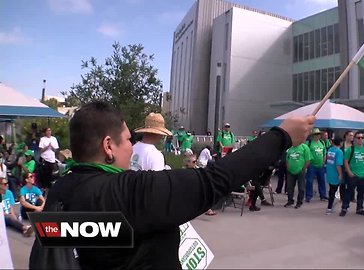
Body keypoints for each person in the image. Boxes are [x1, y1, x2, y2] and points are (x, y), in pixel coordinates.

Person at [29, 101, 314, 269]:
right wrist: (281, 137)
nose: (132, 147)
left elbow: (103, 240)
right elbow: (214, 180)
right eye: (128, 139)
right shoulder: (128, 193)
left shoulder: (60, 192)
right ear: (108, 146)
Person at [340, 131, 364, 217]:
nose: (360, 139)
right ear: (354, 139)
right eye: (358, 137)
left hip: (362, 175)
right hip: (353, 175)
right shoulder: (351, 149)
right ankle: (344, 208)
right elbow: (345, 161)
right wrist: (349, 172)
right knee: (348, 192)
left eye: (362, 138)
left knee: (361, 193)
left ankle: (359, 209)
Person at [284, 141, 311, 209]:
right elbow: (287, 158)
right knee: (289, 187)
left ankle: (299, 202)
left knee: (301, 188)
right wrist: (288, 167)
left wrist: (303, 168)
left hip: (300, 171)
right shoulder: (290, 148)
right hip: (290, 171)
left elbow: (308, 160)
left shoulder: (305, 147)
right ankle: (290, 201)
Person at [305, 128, 328, 202]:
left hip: (320, 165)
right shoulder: (308, 143)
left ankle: (323, 195)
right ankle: (308, 196)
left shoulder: (322, 142)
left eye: (318, 134)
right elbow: (305, 154)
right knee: (309, 181)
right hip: (311, 165)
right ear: (312, 136)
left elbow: (324, 153)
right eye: (315, 134)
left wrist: (323, 162)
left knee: (322, 180)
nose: (317, 136)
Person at [325, 137, 343, 214]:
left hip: (329, 172)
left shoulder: (330, 150)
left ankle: (330, 206)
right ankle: (329, 208)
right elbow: (338, 165)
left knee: (331, 190)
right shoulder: (339, 152)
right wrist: (340, 174)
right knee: (334, 191)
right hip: (335, 174)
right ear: (341, 143)